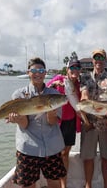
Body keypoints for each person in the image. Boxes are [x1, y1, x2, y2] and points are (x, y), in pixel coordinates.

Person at [7, 57, 66, 188]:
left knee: (54, 182)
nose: (38, 73)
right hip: (28, 147)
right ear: (28, 72)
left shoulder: (54, 94)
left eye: (41, 70)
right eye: (34, 70)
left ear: (45, 73)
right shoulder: (19, 95)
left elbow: (52, 122)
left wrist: (51, 111)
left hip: (52, 146)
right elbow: (25, 125)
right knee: (28, 185)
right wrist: (17, 118)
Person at [80, 49, 107, 188]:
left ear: (105, 60)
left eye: (101, 57)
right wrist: (85, 99)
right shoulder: (85, 77)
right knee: (88, 157)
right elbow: (84, 94)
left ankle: (106, 186)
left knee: (106, 157)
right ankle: (88, 185)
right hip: (89, 123)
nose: (99, 60)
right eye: (96, 57)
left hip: (105, 123)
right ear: (92, 60)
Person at [46, 59, 82, 188]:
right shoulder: (59, 78)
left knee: (65, 154)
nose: (74, 71)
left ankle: (64, 185)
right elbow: (44, 90)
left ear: (80, 71)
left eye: (77, 68)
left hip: (71, 122)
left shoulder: (79, 84)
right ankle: (55, 182)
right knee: (56, 154)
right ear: (67, 70)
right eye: (72, 68)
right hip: (57, 122)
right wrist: (54, 84)